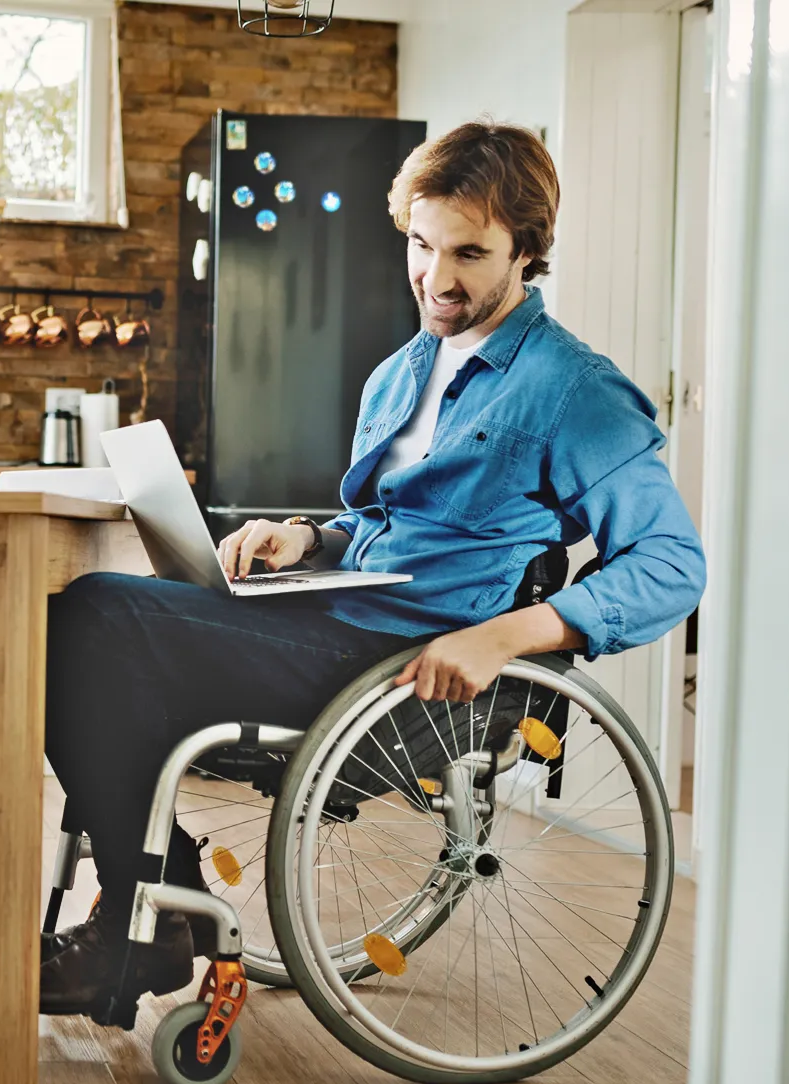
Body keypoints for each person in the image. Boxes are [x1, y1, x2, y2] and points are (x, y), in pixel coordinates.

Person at [39, 120, 706, 1019]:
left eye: (468, 253)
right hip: (332, 625)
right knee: (82, 633)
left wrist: (504, 635)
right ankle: (152, 901)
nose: (436, 279)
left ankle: (150, 914)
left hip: (399, 669)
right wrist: (306, 542)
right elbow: (379, 526)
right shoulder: (402, 372)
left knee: (95, 617)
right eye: (421, 245)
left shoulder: (573, 390)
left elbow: (671, 563)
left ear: (528, 250)